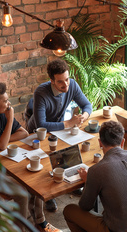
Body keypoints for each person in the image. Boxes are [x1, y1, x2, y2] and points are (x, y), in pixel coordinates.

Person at [0, 81, 64, 232]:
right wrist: (9, 122)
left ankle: (40, 222)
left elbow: (23, 133)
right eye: (5, 101)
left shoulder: (0, 113)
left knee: (34, 176)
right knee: (22, 193)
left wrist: (1, 138)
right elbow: (2, 146)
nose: (9, 104)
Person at [27, 58, 93, 211]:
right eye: (61, 82)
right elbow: (41, 125)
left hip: (59, 130)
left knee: (69, 152)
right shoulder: (41, 92)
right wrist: (68, 124)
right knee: (45, 164)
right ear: (52, 81)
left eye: (67, 79)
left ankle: (72, 185)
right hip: (37, 133)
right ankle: (48, 196)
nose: (66, 85)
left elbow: (87, 105)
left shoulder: (72, 85)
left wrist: (84, 116)